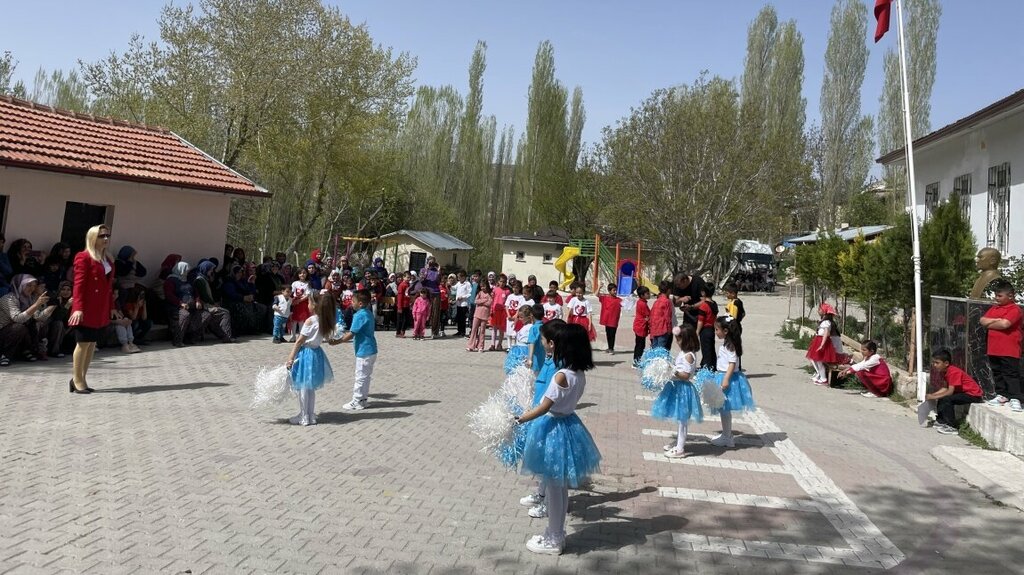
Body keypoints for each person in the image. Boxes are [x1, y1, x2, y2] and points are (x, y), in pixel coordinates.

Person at [515, 323, 601, 555]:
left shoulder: (561, 376)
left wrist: (518, 419)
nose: (543, 343)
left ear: (556, 345)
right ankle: (556, 534)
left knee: (554, 488)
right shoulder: (578, 373)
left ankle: (553, 539)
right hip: (569, 425)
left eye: (545, 340)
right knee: (560, 488)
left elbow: (543, 407)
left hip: (553, 429)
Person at [518, 318, 568, 520]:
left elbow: (552, 398)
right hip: (540, 413)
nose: (540, 341)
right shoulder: (550, 358)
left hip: (547, 417)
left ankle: (549, 503)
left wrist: (522, 418)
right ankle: (541, 494)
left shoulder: (560, 366)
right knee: (542, 462)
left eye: (542, 338)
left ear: (551, 343)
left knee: (549, 463)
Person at [68, 225, 114, 394]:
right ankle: (77, 379)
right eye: (102, 236)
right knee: (83, 343)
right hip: (86, 307)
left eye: (107, 235)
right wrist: (77, 308)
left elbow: (109, 287)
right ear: (93, 237)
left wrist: (112, 307)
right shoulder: (83, 257)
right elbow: (78, 285)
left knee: (92, 344)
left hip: (100, 308)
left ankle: (82, 378)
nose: (106, 239)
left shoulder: (107, 259)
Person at [652, 325, 704, 458]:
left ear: (687, 340)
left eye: (679, 339)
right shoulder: (683, 353)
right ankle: (679, 443)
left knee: (682, 420)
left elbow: (686, 375)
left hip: (683, 389)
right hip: (677, 387)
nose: (677, 342)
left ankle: (680, 448)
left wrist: (672, 370)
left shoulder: (689, 356)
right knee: (679, 418)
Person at [285, 291, 336, 426]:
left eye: (308, 302)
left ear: (314, 304)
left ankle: (304, 415)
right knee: (310, 387)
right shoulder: (323, 320)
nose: (307, 305)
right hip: (316, 353)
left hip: (306, 354)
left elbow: (299, 341)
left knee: (303, 386)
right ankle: (310, 415)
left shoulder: (310, 321)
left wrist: (290, 358)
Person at [709, 316, 755, 447]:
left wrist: (726, 379)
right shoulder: (728, 344)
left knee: (724, 408)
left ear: (725, 331)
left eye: (717, 329)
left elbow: (732, 363)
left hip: (728, 378)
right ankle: (726, 434)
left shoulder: (730, 346)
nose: (715, 332)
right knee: (724, 409)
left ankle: (727, 436)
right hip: (724, 376)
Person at [331, 289, 378, 411]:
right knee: (366, 376)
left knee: (360, 376)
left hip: (364, 350)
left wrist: (337, 341)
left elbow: (351, 334)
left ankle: (357, 401)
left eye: (353, 301)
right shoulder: (368, 313)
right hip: (371, 349)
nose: (352, 303)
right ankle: (363, 400)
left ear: (360, 303)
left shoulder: (360, 315)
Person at [981, 280, 1023, 411]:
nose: (996, 298)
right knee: (997, 373)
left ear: (1010, 296)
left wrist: (992, 323)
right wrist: (996, 320)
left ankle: (1016, 398)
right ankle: (1002, 395)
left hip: (1009, 348)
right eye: (996, 295)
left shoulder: (1015, 309)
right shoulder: (995, 308)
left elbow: (1005, 324)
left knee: (1010, 373)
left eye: (1000, 296)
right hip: (994, 348)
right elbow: (982, 320)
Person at [925, 349, 983, 434]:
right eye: (933, 362)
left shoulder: (953, 372)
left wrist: (933, 397)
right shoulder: (943, 371)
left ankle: (951, 426)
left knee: (947, 399)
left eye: (937, 363)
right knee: (942, 397)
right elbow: (945, 388)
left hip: (973, 395)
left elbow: (950, 392)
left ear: (946, 363)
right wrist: (932, 395)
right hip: (963, 392)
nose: (934, 365)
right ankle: (941, 421)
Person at [806, 303, 841, 386]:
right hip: (819, 340)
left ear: (824, 312)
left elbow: (826, 333)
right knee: (816, 359)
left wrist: (821, 345)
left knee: (819, 360)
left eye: (820, 309)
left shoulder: (826, 322)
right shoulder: (825, 321)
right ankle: (821, 375)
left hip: (822, 341)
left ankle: (823, 378)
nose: (819, 311)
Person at [109, 287, 140, 354]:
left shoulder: (116, 303)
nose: (115, 296)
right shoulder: (106, 304)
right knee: (120, 325)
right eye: (113, 294)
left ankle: (131, 343)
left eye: (117, 294)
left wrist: (126, 319)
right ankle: (124, 344)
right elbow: (105, 320)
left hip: (117, 321)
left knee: (126, 323)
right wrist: (117, 321)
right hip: (109, 324)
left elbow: (121, 314)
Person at [504, 306, 534, 374]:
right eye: (519, 317)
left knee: (521, 369)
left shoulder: (531, 327)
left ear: (528, 317)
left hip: (524, 351)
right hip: (518, 349)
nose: (520, 319)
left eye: (521, 317)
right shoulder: (524, 326)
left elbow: (530, 342)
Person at [694, 284, 717, 371]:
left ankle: (707, 368)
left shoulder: (704, 306)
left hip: (705, 330)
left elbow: (700, 321)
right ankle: (713, 366)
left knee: (706, 350)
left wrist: (697, 332)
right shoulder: (714, 304)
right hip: (712, 329)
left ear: (703, 293)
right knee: (711, 348)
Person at [598, 283, 622, 354]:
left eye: (615, 290)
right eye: (613, 290)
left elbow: (626, 305)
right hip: (606, 320)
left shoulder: (619, 300)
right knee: (608, 334)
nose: (615, 292)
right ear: (609, 291)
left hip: (614, 320)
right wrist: (599, 287)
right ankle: (609, 347)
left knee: (612, 334)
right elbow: (596, 294)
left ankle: (611, 348)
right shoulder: (605, 298)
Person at [467, 282, 492, 352]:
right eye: (481, 286)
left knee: (482, 331)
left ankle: (480, 346)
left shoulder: (489, 294)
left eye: (484, 286)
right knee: (474, 330)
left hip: (484, 315)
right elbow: (476, 301)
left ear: (487, 286)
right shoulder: (479, 293)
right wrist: (484, 300)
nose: (482, 288)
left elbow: (489, 303)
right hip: (477, 314)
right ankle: (470, 346)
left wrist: (481, 302)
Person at [289, 268, 312, 343]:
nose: (302, 274)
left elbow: (307, 295)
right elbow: (291, 293)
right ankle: (292, 337)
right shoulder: (295, 283)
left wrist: (299, 300)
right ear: (298, 274)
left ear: (307, 274)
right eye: (300, 273)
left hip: (303, 304)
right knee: (294, 321)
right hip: (295, 304)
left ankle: (300, 337)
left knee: (301, 321)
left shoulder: (307, 284)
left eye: (304, 273)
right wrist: (292, 301)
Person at [505, 280, 529, 349]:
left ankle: (514, 346)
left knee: (515, 333)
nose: (515, 289)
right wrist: (508, 315)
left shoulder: (521, 297)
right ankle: (509, 347)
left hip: (517, 316)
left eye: (517, 288)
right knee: (508, 332)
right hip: (509, 315)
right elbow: (506, 306)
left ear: (519, 288)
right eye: (514, 287)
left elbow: (519, 307)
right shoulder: (510, 296)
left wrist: (516, 316)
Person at [649, 281, 673, 350]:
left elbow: (651, 316)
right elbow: (668, 317)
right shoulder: (667, 301)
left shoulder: (656, 301)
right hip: (663, 329)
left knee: (654, 351)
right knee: (661, 351)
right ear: (668, 290)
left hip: (654, 329)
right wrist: (669, 330)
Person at [632, 286, 652, 366]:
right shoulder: (642, 304)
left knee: (639, 344)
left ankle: (637, 360)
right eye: (647, 293)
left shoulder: (641, 302)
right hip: (641, 327)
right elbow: (648, 315)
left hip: (639, 326)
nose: (649, 295)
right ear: (642, 295)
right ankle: (636, 361)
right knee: (640, 345)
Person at [489, 274, 509, 351]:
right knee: (494, 328)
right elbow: (492, 300)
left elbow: (508, 303)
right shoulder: (495, 289)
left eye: (504, 282)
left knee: (501, 329)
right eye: (501, 281)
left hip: (503, 312)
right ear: (498, 281)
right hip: (495, 311)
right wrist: (491, 310)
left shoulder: (507, 291)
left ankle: (499, 344)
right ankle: (492, 344)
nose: (502, 283)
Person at [526, 304, 546, 375]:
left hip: (535, 359)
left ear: (531, 315)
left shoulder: (534, 328)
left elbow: (532, 343)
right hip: (544, 357)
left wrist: (530, 359)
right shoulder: (544, 326)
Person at [454, 271, 472, 337]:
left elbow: (470, 293)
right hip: (458, 303)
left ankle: (463, 332)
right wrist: (449, 285)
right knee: (459, 317)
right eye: (458, 277)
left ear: (463, 277)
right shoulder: (458, 283)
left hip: (464, 303)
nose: (458, 278)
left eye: (459, 277)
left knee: (463, 318)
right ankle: (459, 330)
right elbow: (454, 288)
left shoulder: (467, 284)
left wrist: (463, 297)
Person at [395, 272, 411, 338]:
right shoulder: (401, 285)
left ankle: (403, 331)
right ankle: (398, 332)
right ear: (403, 277)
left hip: (407, 305)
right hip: (402, 305)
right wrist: (399, 307)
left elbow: (407, 294)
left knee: (406, 319)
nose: (408, 279)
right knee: (400, 319)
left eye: (409, 277)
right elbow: (400, 296)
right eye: (407, 277)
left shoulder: (408, 284)